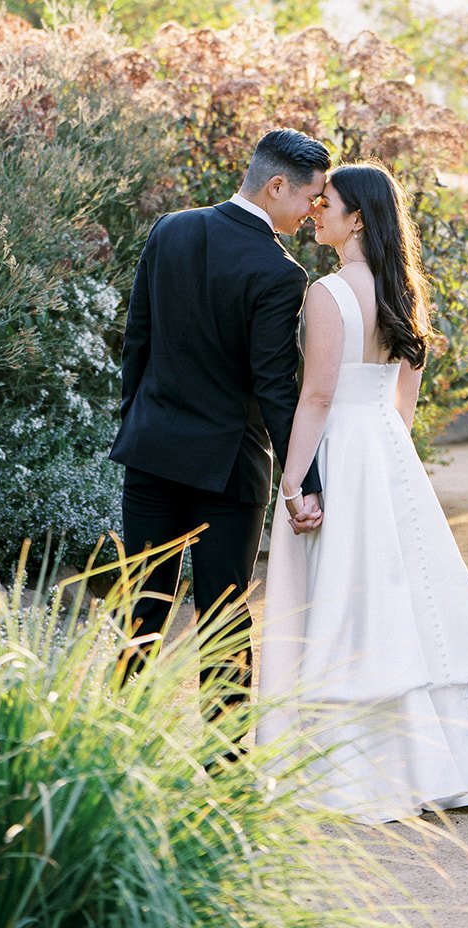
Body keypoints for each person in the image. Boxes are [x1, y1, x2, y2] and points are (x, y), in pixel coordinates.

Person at [256, 161, 468, 820]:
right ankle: (452, 767)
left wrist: (296, 480)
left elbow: (318, 395)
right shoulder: (402, 291)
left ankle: (358, 774)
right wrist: (388, 464)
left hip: (340, 446)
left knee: (344, 599)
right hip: (385, 448)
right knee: (400, 599)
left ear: (357, 217)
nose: (316, 210)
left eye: (327, 203)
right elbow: (402, 400)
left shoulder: (326, 294)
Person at [109, 127, 329, 719]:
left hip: (150, 452)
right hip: (227, 471)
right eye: (310, 197)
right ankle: (224, 770)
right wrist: (302, 478)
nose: (312, 212)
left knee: (142, 605)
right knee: (225, 617)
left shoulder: (171, 229)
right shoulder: (280, 273)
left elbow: (138, 340)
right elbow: (275, 387)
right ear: (276, 185)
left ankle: (109, 745)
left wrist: (136, 419)